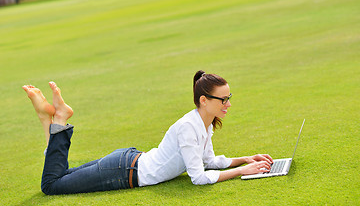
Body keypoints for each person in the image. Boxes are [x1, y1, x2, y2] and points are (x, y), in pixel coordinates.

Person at [22, 70, 273, 195]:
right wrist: (241, 172)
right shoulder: (189, 127)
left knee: (58, 177)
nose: (228, 104)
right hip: (124, 171)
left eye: (229, 98)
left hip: (127, 162)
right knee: (52, 185)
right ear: (204, 100)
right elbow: (198, 177)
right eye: (223, 99)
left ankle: (49, 119)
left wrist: (246, 159)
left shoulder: (202, 124)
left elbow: (209, 162)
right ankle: (58, 119)